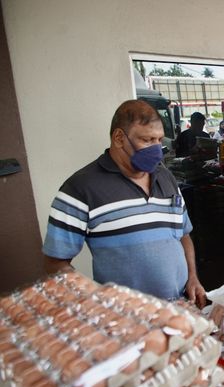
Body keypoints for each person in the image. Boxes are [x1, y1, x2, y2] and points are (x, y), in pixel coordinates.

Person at [42, 100, 206, 306]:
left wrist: (192, 277)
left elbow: (183, 234)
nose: (157, 149)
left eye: (159, 140)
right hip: (126, 315)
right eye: (147, 140)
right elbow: (55, 262)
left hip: (180, 307)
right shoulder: (80, 188)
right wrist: (93, 299)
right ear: (119, 138)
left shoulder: (166, 177)